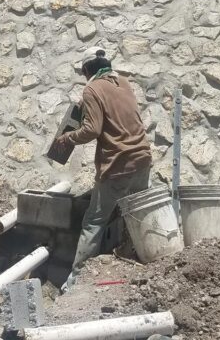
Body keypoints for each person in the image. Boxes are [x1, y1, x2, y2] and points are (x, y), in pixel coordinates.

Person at [54, 49, 152, 292]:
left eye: (83, 73)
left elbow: (92, 130)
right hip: (142, 159)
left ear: (87, 70)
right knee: (134, 215)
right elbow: (115, 112)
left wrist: (68, 138)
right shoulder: (124, 83)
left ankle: (75, 282)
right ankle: (142, 265)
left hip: (118, 163)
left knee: (93, 222)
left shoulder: (92, 89)